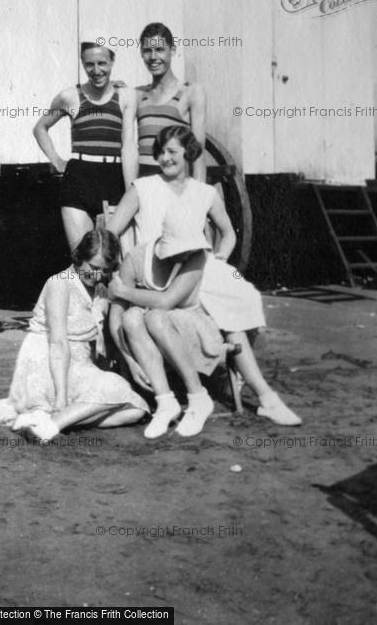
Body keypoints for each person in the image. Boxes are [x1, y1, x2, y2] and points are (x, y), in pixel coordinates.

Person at [108, 125, 302, 427]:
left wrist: (220, 257)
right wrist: (122, 264)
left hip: (196, 268)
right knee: (225, 315)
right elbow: (110, 231)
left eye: (172, 151)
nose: (165, 158)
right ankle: (259, 393)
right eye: (160, 152)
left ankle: (262, 395)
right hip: (154, 268)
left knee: (238, 303)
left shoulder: (205, 192)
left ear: (188, 153)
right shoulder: (143, 187)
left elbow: (228, 234)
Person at [0, 229, 149, 442]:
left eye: (104, 270)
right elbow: (58, 343)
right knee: (117, 387)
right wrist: (62, 395)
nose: (97, 275)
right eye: (92, 268)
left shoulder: (100, 287)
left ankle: (46, 422)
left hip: (79, 366)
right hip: (48, 366)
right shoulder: (60, 283)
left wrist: (130, 361)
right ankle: (52, 424)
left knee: (136, 409)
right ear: (79, 258)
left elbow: (112, 328)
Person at [108, 211, 226, 439]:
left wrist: (122, 290)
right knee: (131, 316)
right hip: (155, 336)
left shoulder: (196, 257)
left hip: (195, 328)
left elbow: (166, 301)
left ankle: (198, 396)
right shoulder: (136, 259)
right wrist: (130, 360)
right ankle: (165, 402)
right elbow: (116, 315)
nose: (186, 253)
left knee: (154, 316)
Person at [33, 34, 138, 250]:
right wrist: (57, 159)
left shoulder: (126, 96)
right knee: (82, 258)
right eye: (90, 64)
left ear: (112, 62)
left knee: (114, 258)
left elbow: (128, 145)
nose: (96, 70)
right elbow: (40, 128)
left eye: (102, 63)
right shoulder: (69, 96)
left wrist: (131, 192)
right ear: (82, 63)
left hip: (113, 177)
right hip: (79, 179)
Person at [136, 22, 207, 181]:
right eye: (147, 51)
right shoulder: (137, 94)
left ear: (172, 50)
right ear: (141, 53)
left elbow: (198, 152)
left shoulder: (191, 92)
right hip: (144, 188)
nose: (153, 57)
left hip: (175, 186)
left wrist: (199, 197)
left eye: (160, 50)